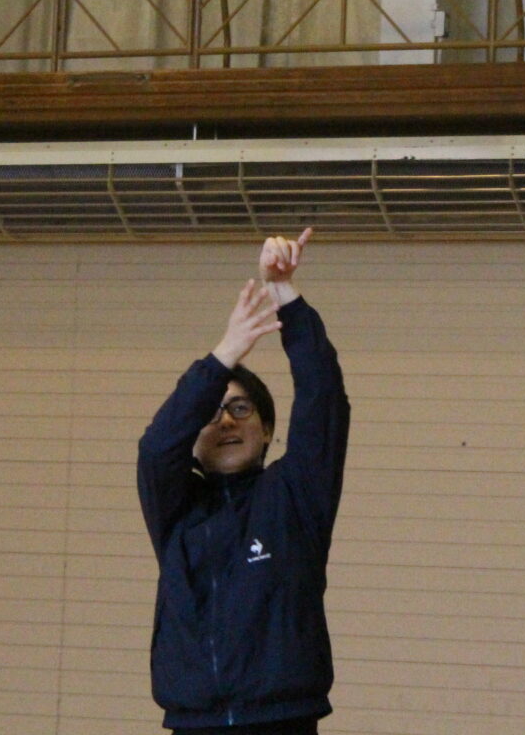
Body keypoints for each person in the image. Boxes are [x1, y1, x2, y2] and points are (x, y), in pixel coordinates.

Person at [138, 229, 349, 735]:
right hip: (192, 722)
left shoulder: (295, 496)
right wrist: (226, 353)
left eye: (240, 409)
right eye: (211, 414)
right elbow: (156, 448)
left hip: (283, 719)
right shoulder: (175, 510)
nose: (226, 422)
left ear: (267, 428)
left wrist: (286, 300)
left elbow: (325, 402)